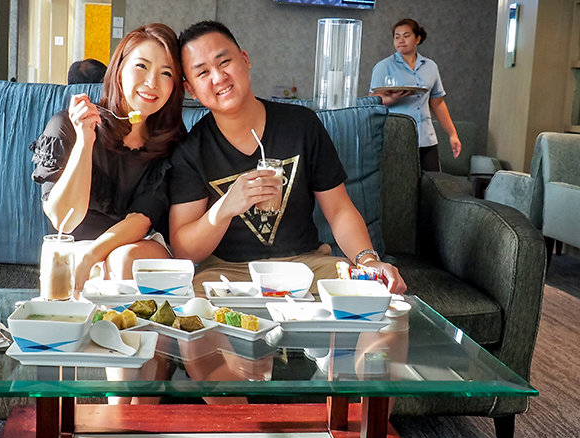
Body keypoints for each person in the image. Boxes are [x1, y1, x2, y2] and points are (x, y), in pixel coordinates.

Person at [169, 20, 406, 295]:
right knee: (192, 303)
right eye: (203, 72)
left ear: (245, 59)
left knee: (372, 293)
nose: (218, 77)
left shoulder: (301, 125)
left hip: (305, 266)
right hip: (227, 272)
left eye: (224, 62)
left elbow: (339, 210)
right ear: (191, 89)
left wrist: (368, 261)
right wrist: (224, 208)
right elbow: (184, 249)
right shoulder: (191, 150)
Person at [30, 23, 185, 294]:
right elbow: (64, 219)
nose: (152, 83)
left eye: (166, 73)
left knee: (122, 260)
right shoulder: (68, 125)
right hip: (74, 247)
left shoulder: (171, 139)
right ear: (119, 69)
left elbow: (142, 218)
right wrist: (85, 140)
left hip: (139, 245)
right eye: (142, 66)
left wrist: (93, 256)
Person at [370, 18, 461, 172]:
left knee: (431, 181)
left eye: (406, 36)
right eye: (397, 37)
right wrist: (392, 98)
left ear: (417, 39)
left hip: (425, 138)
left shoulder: (430, 66)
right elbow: (373, 101)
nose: (401, 40)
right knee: (399, 183)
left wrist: (452, 134)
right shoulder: (383, 67)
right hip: (396, 138)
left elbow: (438, 103)